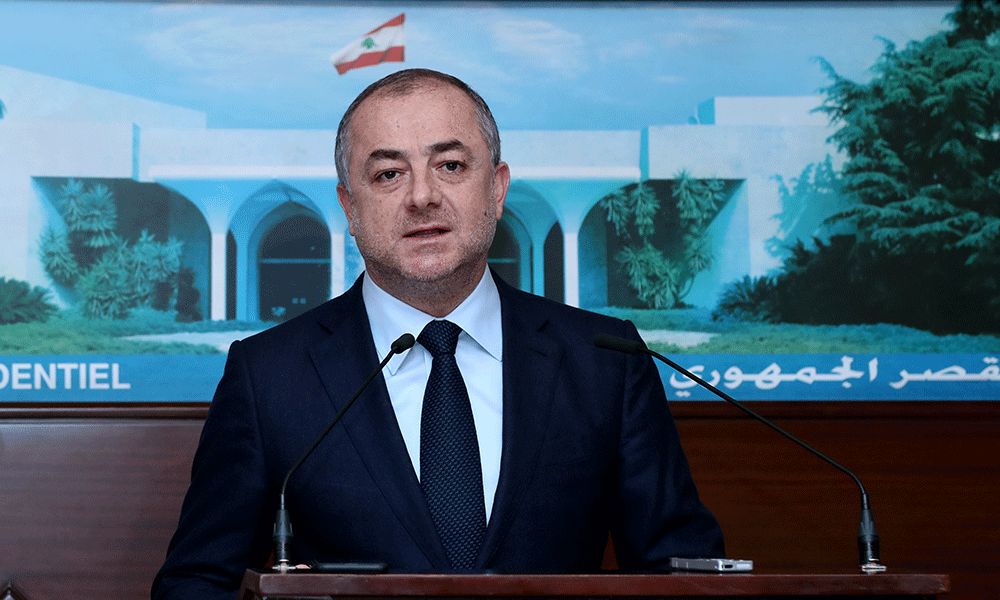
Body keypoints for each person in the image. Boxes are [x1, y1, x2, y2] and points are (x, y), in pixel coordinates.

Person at [152, 68, 723, 599]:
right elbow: (197, 582)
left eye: (450, 165)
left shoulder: (605, 360)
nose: (422, 196)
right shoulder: (269, 375)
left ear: (496, 188)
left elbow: (682, 570)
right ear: (349, 207)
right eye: (388, 174)